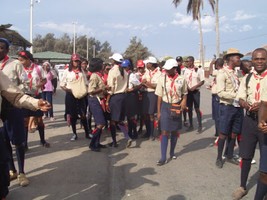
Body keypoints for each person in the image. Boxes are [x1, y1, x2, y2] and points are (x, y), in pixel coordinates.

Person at [0, 68, 51, 200]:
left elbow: (16, 95)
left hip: (11, 113)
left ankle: (19, 172)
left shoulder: (13, 66)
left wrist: (36, 103)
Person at [232, 48, 267, 199]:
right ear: (252, 60)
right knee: (246, 155)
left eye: (263, 59)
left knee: (265, 163)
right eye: (256, 59)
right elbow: (240, 96)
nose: (259, 61)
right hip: (250, 120)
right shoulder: (247, 78)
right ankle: (242, 186)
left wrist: (262, 105)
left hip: (265, 122)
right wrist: (244, 103)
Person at [0, 38, 31, 188]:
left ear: (7, 50)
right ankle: (11, 170)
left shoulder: (15, 64)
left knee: (18, 142)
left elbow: (25, 83)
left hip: (14, 107)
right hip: (1, 110)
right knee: (4, 142)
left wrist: (14, 93)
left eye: (1, 47)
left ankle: (21, 172)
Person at [155, 59, 187, 165]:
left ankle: (172, 152)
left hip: (176, 106)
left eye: (169, 69)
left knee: (174, 131)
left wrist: (183, 102)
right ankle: (163, 157)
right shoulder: (162, 79)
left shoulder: (182, 79)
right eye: (166, 69)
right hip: (165, 106)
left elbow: (185, 93)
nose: (166, 71)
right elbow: (159, 96)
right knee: (164, 131)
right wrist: (159, 112)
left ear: (174, 68)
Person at [215, 48, 244, 168]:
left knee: (234, 133)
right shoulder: (222, 73)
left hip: (238, 107)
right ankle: (219, 157)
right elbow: (220, 92)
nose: (239, 60)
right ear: (230, 59)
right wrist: (237, 96)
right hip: (227, 107)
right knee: (223, 133)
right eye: (237, 57)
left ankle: (230, 155)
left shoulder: (238, 73)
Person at [17, 50, 50, 149]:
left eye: (22, 60)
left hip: (36, 96)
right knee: (25, 121)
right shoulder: (19, 69)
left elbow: (44, 79)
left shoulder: (38, 68)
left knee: (39, 120)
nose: (20, 62)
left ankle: (42, 140)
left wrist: (39, 85)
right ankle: (25, 144)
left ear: (28, 59)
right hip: (25, 97)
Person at [60, 53, 90, 141]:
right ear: (71, 61)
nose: (76, 62)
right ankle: (74, 134)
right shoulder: (67, 71)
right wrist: (69, 90)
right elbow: (62, 84)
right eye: (75, 61)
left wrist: (85, 91)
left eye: (78, 61)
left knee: (83, 115)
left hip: (81, 96)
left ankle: (87, 133)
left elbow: (86, 83)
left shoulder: (82, 72)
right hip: (71, 96)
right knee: (73, 116)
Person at [106, 53, 128, 147]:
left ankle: (115, 141)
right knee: (119, 120)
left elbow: (111, 87)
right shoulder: (124, 71)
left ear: (113, 61)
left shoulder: (112, 71)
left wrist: (107, 100)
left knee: (113, 120)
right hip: (123, 96)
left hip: (115, 97)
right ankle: (127, 136)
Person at [87, 58, 109, 151]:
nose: (103, 65)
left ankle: (97, 142)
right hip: (94, 100)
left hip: (100, 99)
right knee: (101, 123)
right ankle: (92, 144)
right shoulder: (94, 76)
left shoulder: (99, 75)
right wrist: (104, 89)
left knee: (99, 123)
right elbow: (91, 91)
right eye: (102, 64)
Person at [122, 59, 142, 146]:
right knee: (128, 115)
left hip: (131, 96)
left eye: (125, 67)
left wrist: (131, 89)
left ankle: (134, 132)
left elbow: (139, 85)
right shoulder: (122, 74)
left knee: (131, 116)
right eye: (122, 67)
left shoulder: (132, 75)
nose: (124, 68)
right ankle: (130, 131)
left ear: (129, 67)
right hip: (125, 96)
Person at [141, 56, 162, 140]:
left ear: (152, 64)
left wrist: (146, 83)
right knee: (145, 114)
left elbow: (155, 86)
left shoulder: (159, 73)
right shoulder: (147, 72)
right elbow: (143, 81)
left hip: (153, 94)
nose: (146, 64)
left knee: (151, 114)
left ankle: (152, 134)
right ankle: (148, 132)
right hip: (146, 94)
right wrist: (147, 83)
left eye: (148, 63)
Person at [183, 56, 205, 132]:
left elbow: (202, 81)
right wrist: (187, 87)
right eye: (186, 62)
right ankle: (191, 125)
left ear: (192, 61)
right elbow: (184, 81)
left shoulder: (198, 70)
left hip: (195, 92)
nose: (187, 63)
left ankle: (200, 126)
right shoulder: (185, 71)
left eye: (188, 61)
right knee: (189, 109)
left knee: (197, 108)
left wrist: (195, 86)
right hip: (188, 92)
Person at [209, 58, 224, 138]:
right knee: (218, 115)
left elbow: (210, 72)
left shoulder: (219, 71)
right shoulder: (223, 71)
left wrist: (211, 63)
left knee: (217, 116)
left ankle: (219, 132)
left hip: (217, 96)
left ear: (217, 65)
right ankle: (217, 131)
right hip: (217, 95)